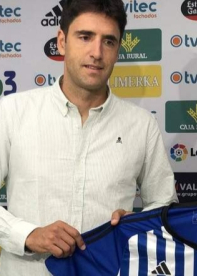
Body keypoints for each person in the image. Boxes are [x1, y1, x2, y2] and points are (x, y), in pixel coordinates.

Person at [0, 0, 177, 275]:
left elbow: (165, 205)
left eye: (108, 41)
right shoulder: (11, 112)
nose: (97, 52)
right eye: (85, 37)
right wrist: (27, 235)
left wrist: (141, 224)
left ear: (118, 50)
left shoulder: (142, 125)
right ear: (61, 41)